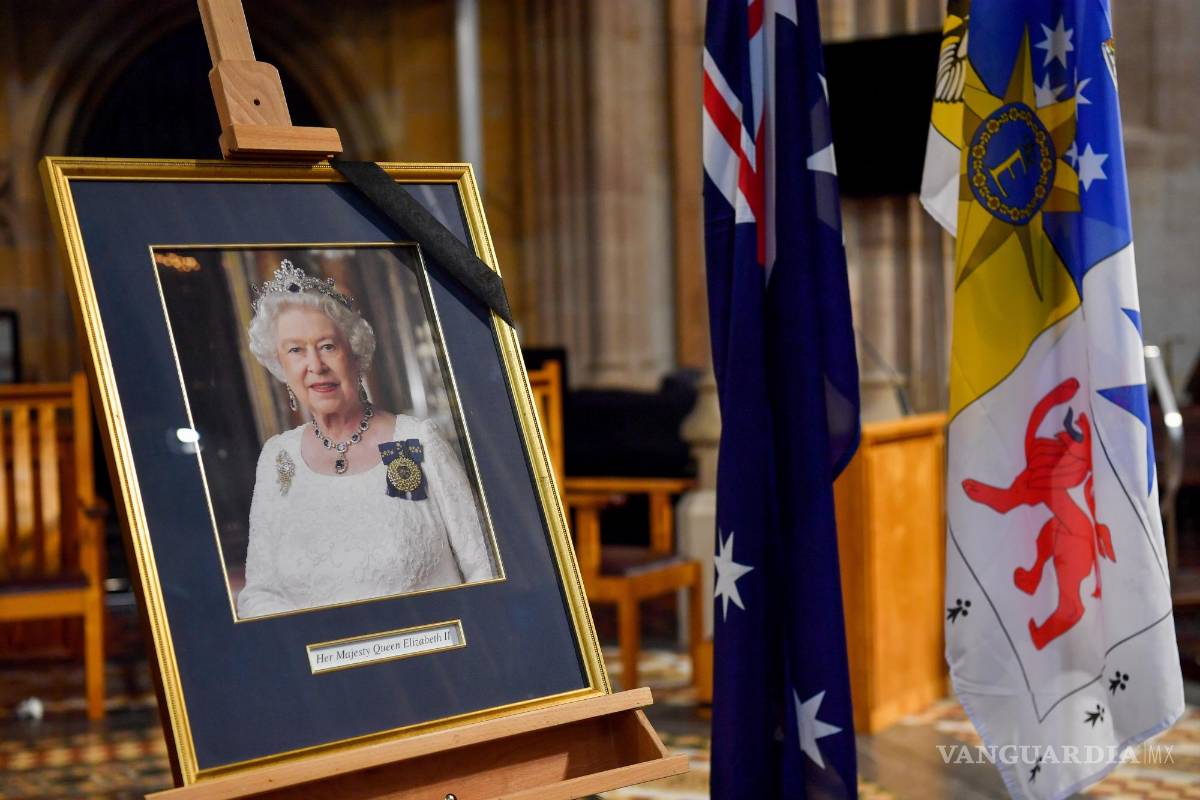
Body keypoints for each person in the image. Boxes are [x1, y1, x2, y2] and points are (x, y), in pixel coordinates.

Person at [236, 259, 495, 618]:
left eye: (327, 346)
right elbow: (258, 593)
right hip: (329, 665)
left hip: (431, 661)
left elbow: (483, 568)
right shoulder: (279, 459)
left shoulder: (412, 442)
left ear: (354, 354)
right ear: (280, 367)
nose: (315, 365)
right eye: (295, 350)